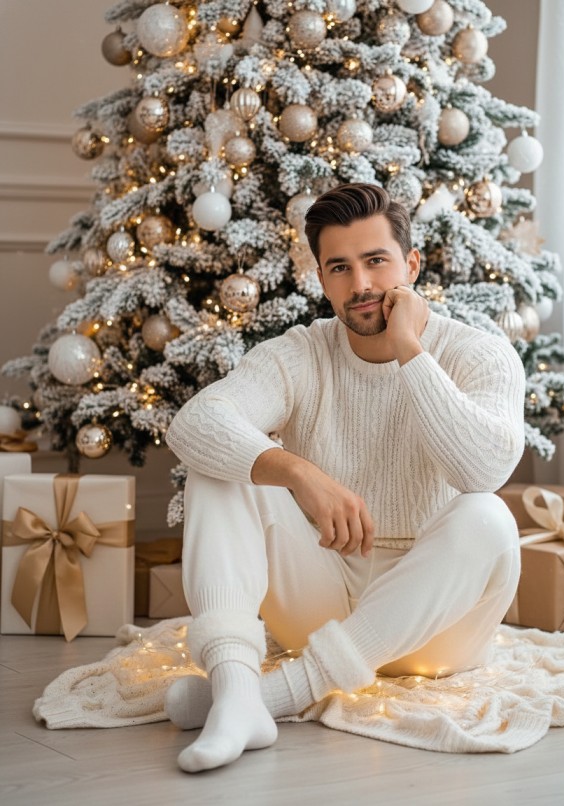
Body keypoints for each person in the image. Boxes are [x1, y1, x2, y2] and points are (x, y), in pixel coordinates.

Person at [164, 182, 526, 773]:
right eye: (340, 268)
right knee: (221, 466)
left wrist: (409, 347)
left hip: (439, 627)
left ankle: (270, 699)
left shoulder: (479, 354)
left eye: (376, 261)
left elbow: (482, 469)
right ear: (321, 279)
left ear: (411, 264)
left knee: (487, 515)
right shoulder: (302, 352)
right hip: (323, 598)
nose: (360, 285)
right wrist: (297, 471)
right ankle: (233, 685)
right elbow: (195, 423)